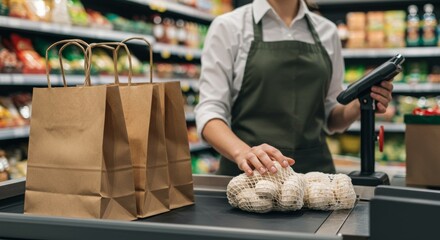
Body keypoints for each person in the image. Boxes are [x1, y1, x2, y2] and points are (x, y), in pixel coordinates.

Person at [194, 0, 394, 176]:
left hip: (315, 179)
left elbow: (332, 117)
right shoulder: (229, 27)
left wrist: (360, 104)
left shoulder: (327, 31)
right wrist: (244, 153)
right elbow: (209, 111)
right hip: (249, 178)